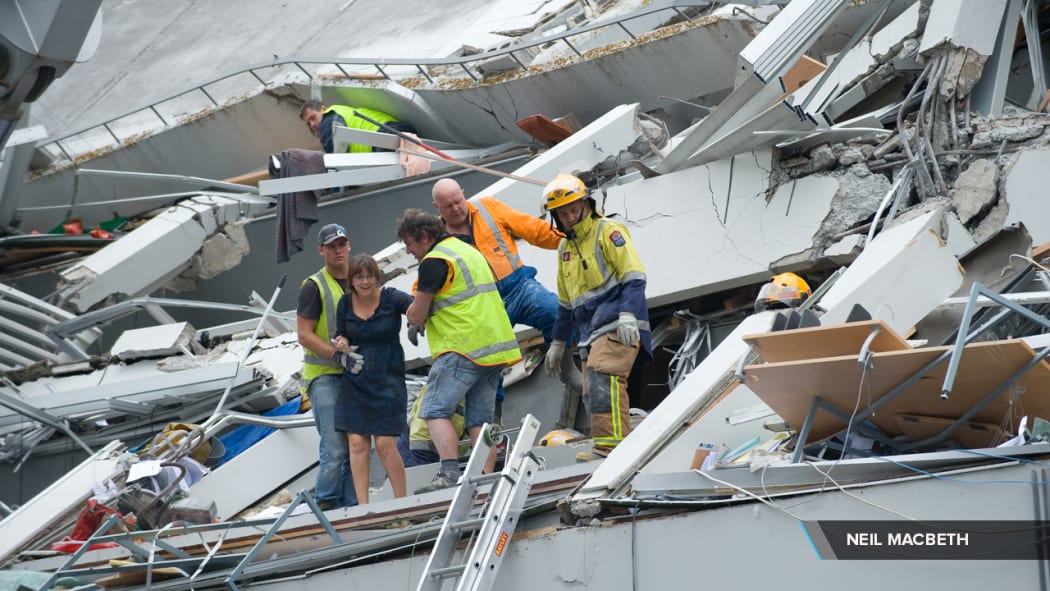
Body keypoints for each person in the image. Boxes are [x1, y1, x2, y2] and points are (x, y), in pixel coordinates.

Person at [432, 178, 583, 428]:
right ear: (437, 208)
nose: (456, 209)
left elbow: (532, 229)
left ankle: (567, 367)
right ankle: (493, 422)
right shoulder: (438, 238)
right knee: (489, 362)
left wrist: (572, 239)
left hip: (518, 286)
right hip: (483, 306)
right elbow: (430, 274)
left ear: (463, 194)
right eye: (448, 206)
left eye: (458, 201)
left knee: (554, 310)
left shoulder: (488, 208)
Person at [396, 209, 521, 493]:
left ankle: (449, 475)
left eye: (410, 243)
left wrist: (414, 317)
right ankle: (484, 478)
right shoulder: (466, 249)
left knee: (434, 410)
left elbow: (417, 312)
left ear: (425, 237)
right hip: (494, 349)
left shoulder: (435, 260)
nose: (408, 250)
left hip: (462, 347)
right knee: (480, 420)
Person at [541, 174, 652, 457]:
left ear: (587, 204)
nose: (570, 217)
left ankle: (609, 451)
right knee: (592, 393)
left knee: (604, 379)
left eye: (574, 209)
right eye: (563, 213)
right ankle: (614, 447)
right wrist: (557, 342)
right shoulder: (565, 249)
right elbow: (566, 305)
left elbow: (634, 276)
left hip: (618, 321)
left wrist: (628, 313)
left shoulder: (608, 231)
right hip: (589, 333)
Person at [331, 254, 412, 504]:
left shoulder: (391, 297)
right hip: (356, 379)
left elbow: (418, 308)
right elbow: (341, 334)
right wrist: (341, 343)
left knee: (387, 445)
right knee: (357, 445)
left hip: (388, 380)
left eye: (369, 276)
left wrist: (415, 324)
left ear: (377, 277)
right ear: (351, 281)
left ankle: (401, 504)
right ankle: (363, 508)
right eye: (359, 276)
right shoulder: (345, 303)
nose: (365, 281)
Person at [296, 222, 358, 510]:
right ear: (321, 250)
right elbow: (304, 334)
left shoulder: (361, 279)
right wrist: (335, 355)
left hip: (356, 376)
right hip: (325, 377)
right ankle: (326, 507)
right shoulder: (314, 286)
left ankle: (351, 508)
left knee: (358, 447)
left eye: (341, 244)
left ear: (349, 246)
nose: (338, 250)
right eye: (332, 246)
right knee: (334, 448)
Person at [299, 99, 415, 154]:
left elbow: (336, 158)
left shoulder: (329, 117)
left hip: (385, 137)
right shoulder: (343, 111)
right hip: (396, 131)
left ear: (323, 109)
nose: (312, 124)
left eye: (313, 118)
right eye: (308, 123)